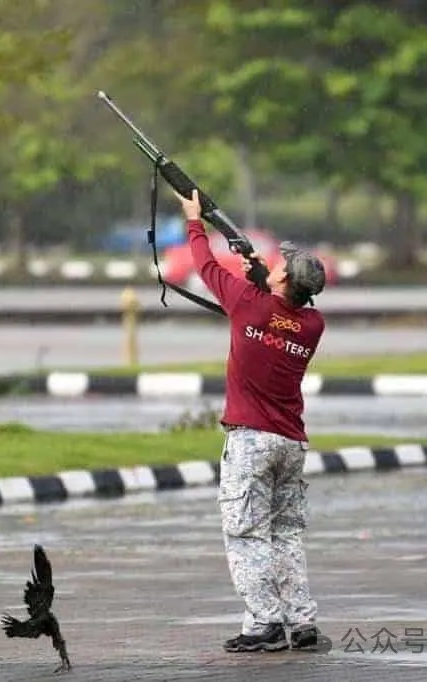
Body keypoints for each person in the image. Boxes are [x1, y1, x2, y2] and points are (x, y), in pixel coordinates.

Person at [174, 189, 328, 653]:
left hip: (249, 444)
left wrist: (194, 222)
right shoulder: (312, 325)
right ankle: (301, 622)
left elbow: (206, 267)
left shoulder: (249, 304)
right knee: (284, 535)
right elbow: (281, 317)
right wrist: (263, 280)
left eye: (281, 266)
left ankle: (264, 623)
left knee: (245, 534)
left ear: (282, 279)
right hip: (290, 444)